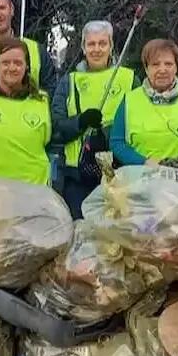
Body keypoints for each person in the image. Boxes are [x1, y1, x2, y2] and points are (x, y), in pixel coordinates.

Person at [0, 38, 72, 185]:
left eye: (18, 63)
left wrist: (54, 183)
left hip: (34, 192)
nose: (12, 68)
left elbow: (55, 146)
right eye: (5, 63)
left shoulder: (43, 101)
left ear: (26, 66)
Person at [51, 20, 137, 217]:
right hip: (78, 176)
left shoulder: (129, 78)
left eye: (102, 43)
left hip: (120, 173)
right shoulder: (69, 82)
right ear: (83, 47)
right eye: (91, 44)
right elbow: (56, 128)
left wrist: (110, 131)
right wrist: (81, 121)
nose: (96, 49)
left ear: (111, 46)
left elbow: (141, 121)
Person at [109, 38, 178, 183]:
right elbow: (117, 142)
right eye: (155, 64)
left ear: (176, 67)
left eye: (168, 64)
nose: (162, 70)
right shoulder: (130, 100)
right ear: (146, 69)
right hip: (141, 186)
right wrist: (143, 162)